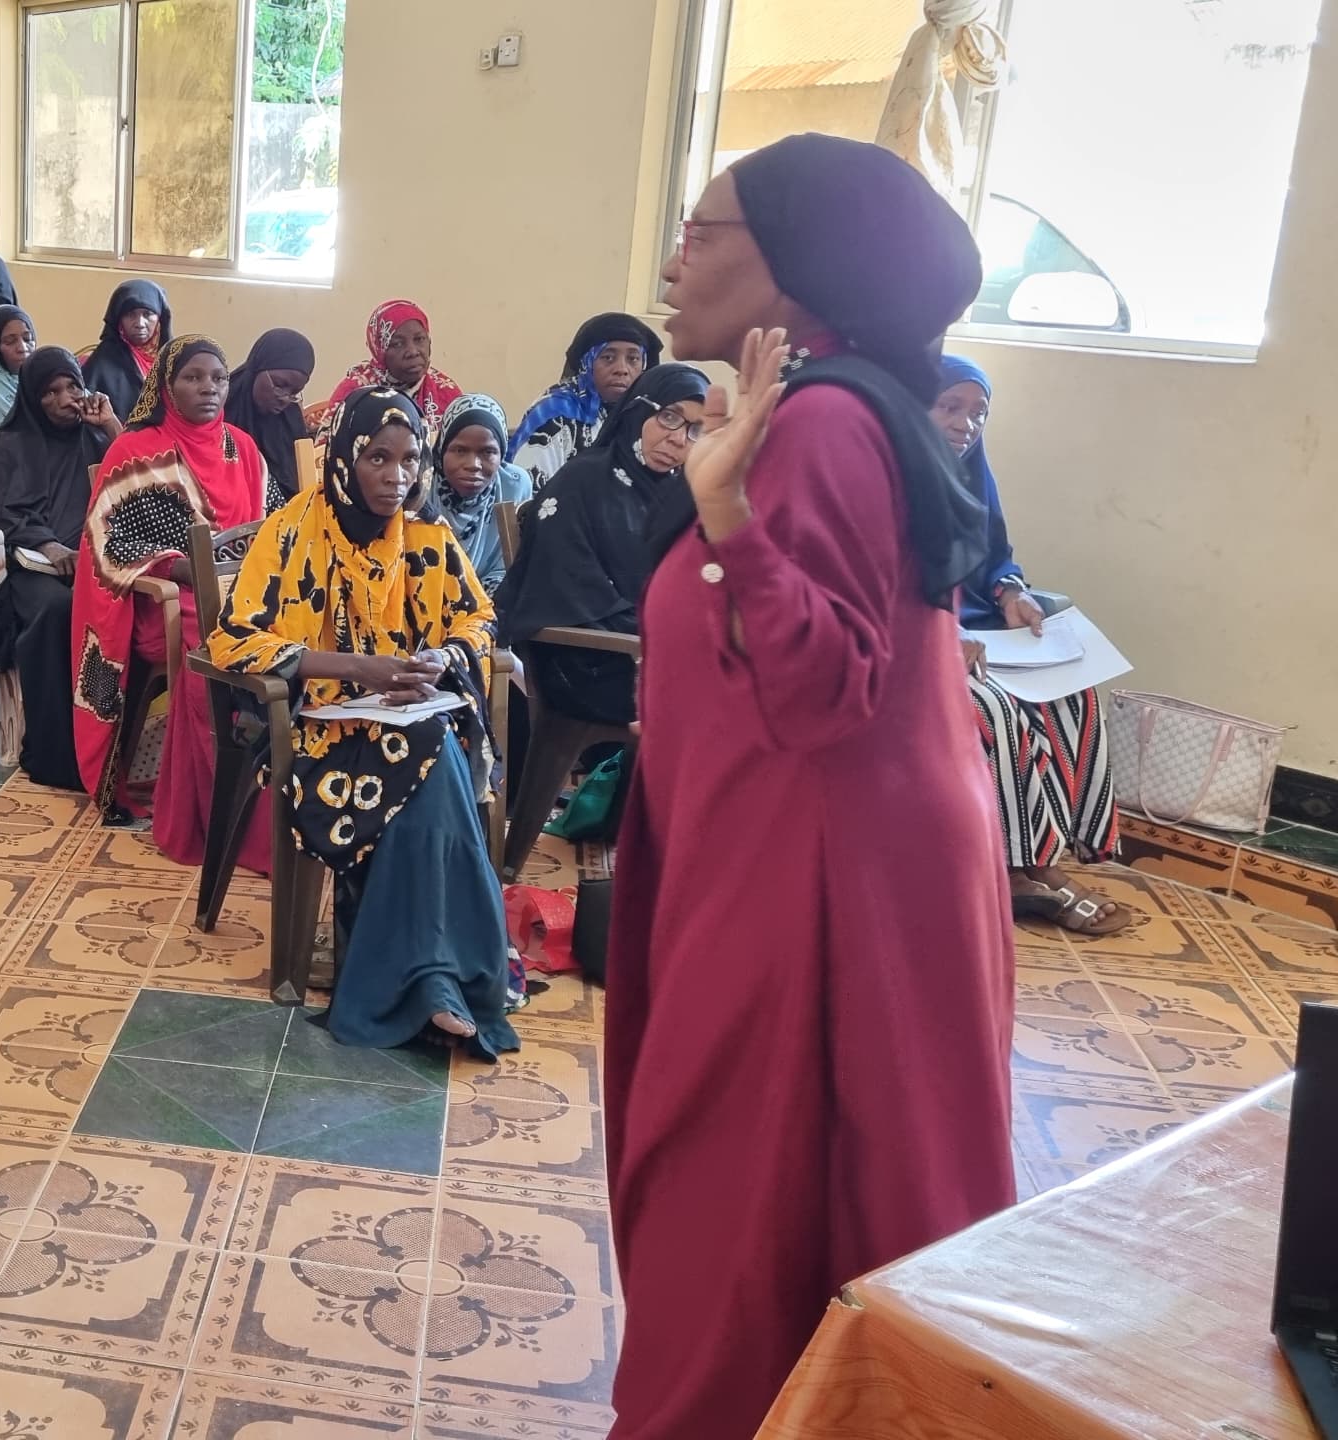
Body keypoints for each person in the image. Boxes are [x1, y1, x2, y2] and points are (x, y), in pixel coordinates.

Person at [604, 132, 1011, 1440]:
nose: (676, 259)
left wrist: (725, 517)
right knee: (799, 1194)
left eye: (707, 233)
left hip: (816, 882)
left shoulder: (826, 421)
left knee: (735, 1200)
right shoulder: (829, 404)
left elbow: (823, 688)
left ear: (799, 270)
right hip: (820, 852)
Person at [212, 385, 518, 1055]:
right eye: (379, 458)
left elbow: (479, 617)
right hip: (319, 727)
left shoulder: (425, 536)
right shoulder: (293, 530)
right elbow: (237, 637)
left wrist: (440, 656)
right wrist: (358, 670)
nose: (397, 477)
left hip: (408, 716)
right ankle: (440, 977)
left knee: (432, 739)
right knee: (433, 752)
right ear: (345, 458)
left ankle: (426, 977)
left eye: (410, 460)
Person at [935, 356, 1126, 935]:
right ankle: (1017, 871)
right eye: (951, 407)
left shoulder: (972, 475)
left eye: (979, 413)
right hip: (915, 636)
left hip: (977, 631)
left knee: (1074, 697)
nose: (967, 424)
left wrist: (1011, 590)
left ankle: (1050, 856)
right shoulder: (891, 476)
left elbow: (995, 554)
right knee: (993, 710)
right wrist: (940, 629)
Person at [71, 334, 273, 869]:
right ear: (166, 385)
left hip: (239, 593)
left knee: (291, 634)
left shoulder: (242, 448)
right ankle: (218, 812)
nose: (209, 388)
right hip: (163, 601)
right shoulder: (135, 450)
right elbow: (104, 539)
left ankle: (276, 795)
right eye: (193, 377)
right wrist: (176, 565)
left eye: (219, 378)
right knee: (212, 641)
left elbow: (274, 530)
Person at [492, 364, 709, 729]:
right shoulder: (583, 482)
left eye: (695, 429)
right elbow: (565, 593)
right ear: (638, 409)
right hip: (585, 665)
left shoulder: (680, 494)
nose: (678, 439)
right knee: (722, 703)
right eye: (669, 417)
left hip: (654, 655)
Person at [0, 347, 117, 788]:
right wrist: (52, 547)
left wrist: (111, 426)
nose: (64, 399)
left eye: (72, 386)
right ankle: (60, 753)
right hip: (32, 569)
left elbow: (137, 478)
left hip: (99, 562)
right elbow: (2, 514)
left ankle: (118, 742)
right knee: (59, 610)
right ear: (32, 399)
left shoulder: (94, 436)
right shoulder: (12, 442)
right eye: (50, 392)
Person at [511, 312, 664, 491]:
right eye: (608, 357)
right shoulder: (554, 413)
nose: (622, 369)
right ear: (586, 362)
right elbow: (525, 494)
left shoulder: (647, 415)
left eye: (633, 359)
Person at [427, 394, 534, 588]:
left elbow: (516, 565)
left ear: (501, 453)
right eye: (460, 451)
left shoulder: (514, 485)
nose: (473, 465)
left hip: (497, 601)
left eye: (487, 452)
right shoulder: (422, 488)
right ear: (442, 450)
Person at [321, 300, 463, 430]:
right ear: (380, 350)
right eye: (397, 343)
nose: (413, 352)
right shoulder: (355, 394)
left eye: (419, 339)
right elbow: (327, 451)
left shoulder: (444, 390)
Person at [223, 327, 317, 501]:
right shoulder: (223, 407)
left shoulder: (290, 417)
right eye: (280, 385)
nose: (285, 399)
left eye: (294, 393)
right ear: (258, 366)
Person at [79, 279, 170, 419]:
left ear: (160, 318)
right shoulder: (103, 361)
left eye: (147, 314)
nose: (139, 323)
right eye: (130, 314)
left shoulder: (173, 359)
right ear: (119, 320)